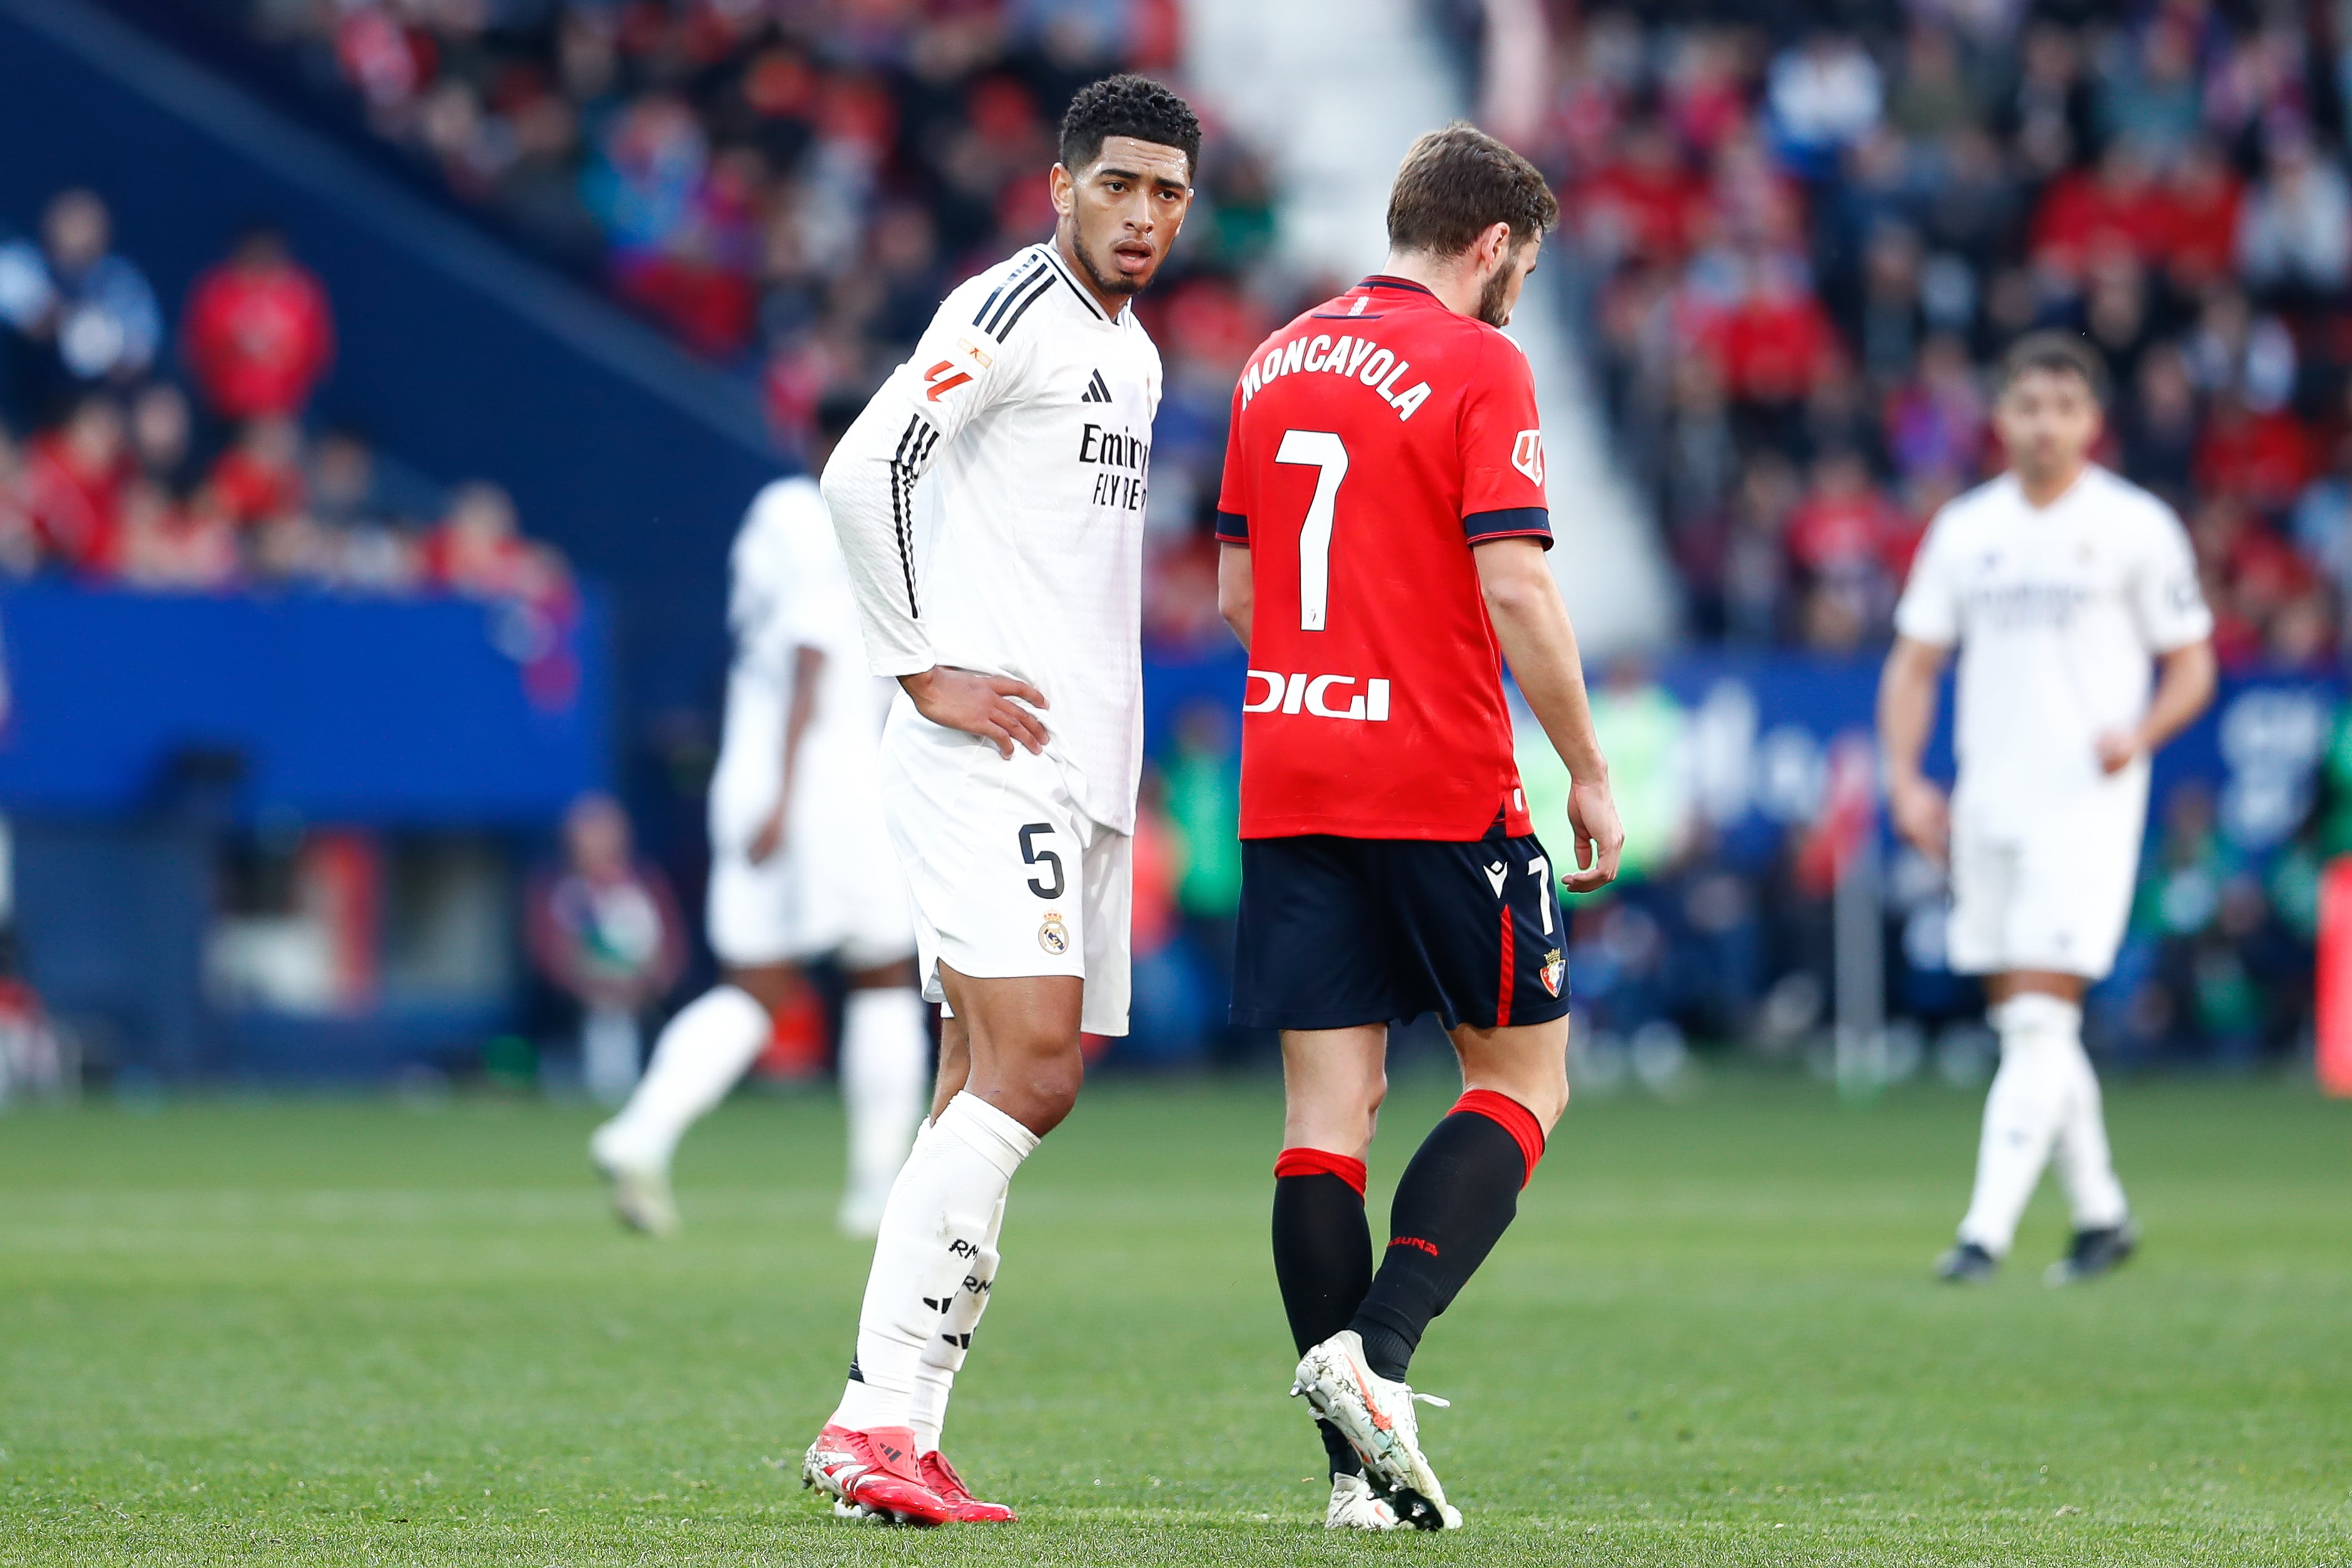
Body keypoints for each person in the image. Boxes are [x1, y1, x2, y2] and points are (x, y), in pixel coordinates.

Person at [799, 73, 1200, 1528]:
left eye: (1166, 192)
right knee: (1031, 1071)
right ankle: (870, 1421)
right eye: (1119, 185)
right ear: (1060, 184)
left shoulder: (1136, 356)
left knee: (995, 1079)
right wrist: (923, 668)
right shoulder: (1013, 308)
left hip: (1078, 761)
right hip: (990, 751)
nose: (1142, 214)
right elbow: (864, 467)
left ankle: (889, 1424)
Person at [1212, 124, 1625, 1531]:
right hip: (1437, 776)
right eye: (1522, 262)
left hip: (1289, 768)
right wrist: (1583, 764)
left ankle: (1351, 1487)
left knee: (1324, 1114)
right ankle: (1375, 1358)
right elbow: (1513, 586)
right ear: (1494, 244)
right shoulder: (1477, 358)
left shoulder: (1271, 360)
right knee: (1520, 1077)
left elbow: (1232, 596)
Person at [1879, 331, 2216, 1288]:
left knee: (2034, 1017)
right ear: (2002, 418)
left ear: (2092, 421)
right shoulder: (1968, 528)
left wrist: (2139, 732)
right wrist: (1907, 776)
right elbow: (1915, 661)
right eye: (2028, 406)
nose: (2044, 424)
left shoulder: (2136, 526)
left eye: (2063, 407)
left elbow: (2193, 661)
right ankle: (2103, 1213)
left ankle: (1983, 1233)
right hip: (1990, 797)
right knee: (2034, 1023)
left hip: (2087, 802)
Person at [589, 396, 930, 1240]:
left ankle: (642, 1128)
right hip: (823, 772)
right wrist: (790, 790)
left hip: (753, 769)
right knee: (883, 971)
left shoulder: (771, 511)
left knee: (755, 980)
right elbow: (813, 652)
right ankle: (872, 1191)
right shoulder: (843, 509)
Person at [525, 794, 688, 1104]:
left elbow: (671, 952)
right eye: (587, 834)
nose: (596, 843)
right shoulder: (559, 889)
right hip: (574, 1013)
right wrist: (591, 984)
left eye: (604, 833)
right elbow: (547, 956)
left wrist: (644, 983)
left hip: (644, 1007)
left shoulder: (645, 884)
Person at [180, 225, 336, 422]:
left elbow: (317, 354)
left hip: (280, 415)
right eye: (254, 251)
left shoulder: (303, 294)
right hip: (215, 407)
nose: (260, 259)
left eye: (268, 252)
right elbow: (196, 348)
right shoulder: (217, 289)